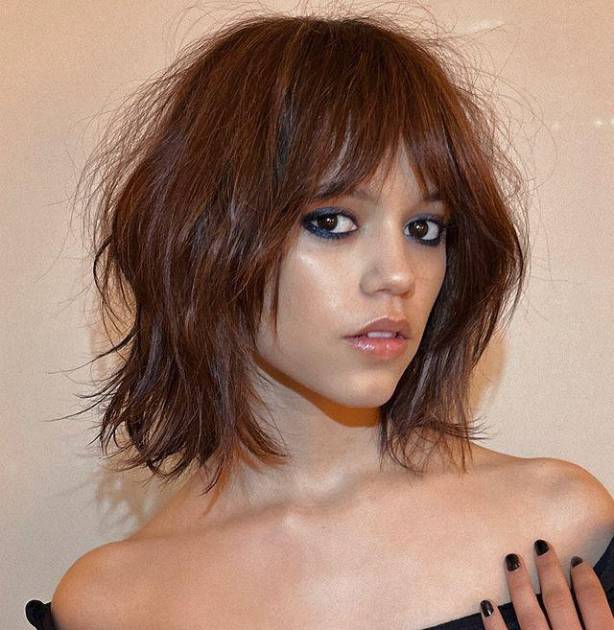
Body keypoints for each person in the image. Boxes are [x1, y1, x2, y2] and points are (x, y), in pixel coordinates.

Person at [25, 11, 613, 630]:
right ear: (205, 237)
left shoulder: (563, 524)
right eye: (332, 222)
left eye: (424, 228)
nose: (398, 274)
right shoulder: (109, 605)